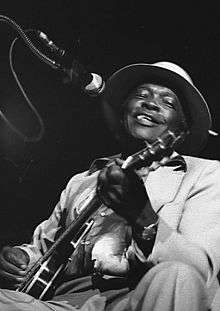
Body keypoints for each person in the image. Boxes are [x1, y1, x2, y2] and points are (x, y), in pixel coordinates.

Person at [0, 61, 220, 311]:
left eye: (168, 102)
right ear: (124, 109)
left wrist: (142, 215)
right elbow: (44, 248)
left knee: (178, 275)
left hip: (142, 298)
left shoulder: (205, 175)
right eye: (141, 95)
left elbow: (197, 270)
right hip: (61, 304)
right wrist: (21, 258)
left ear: (181, 130)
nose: (150, 103)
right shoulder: (83, 180)